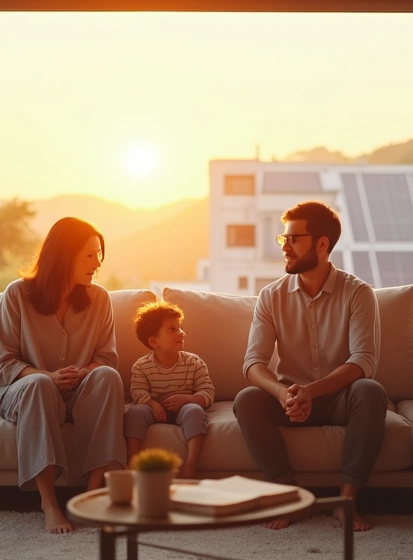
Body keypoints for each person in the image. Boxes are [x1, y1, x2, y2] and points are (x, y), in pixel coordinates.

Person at [234, 201, 385, 532]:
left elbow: (363, 361)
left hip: (340, 398)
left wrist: (311, 392)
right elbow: (253, 363)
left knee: (370, 391)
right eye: (283, 239)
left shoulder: (358, 293)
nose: (285, 247)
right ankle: (290, 497)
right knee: (247, 400)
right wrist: (282, 393)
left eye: (294, 239)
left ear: (322, 244)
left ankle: (346, 502)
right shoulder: (271, 296)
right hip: (289, 399)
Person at [0, 217, 126, 534]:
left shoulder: (99, 299)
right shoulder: (17, 295)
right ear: (65, 256)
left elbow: (106, 358)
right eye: (90, 255)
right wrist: (49, 376)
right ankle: (49, 503)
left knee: (108, 376)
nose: (98, 263)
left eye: (99, 254)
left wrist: (84, 372)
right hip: (26, 390)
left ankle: (91, 496)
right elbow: (4, 364)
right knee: (39, 384)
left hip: (78, 390)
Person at [124, 301, 215, 479]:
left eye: (180, 327)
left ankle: (190, 466)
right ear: (154, 341)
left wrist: (186, 399)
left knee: (195, 411)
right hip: (153, 409)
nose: (180, 332)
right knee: (135, 413)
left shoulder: (194, 362)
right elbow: (137, 391)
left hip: (184, 408)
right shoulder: (142, 366)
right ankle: (132, 466)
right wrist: (152, 404)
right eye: (172, 329)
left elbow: (208, 391)